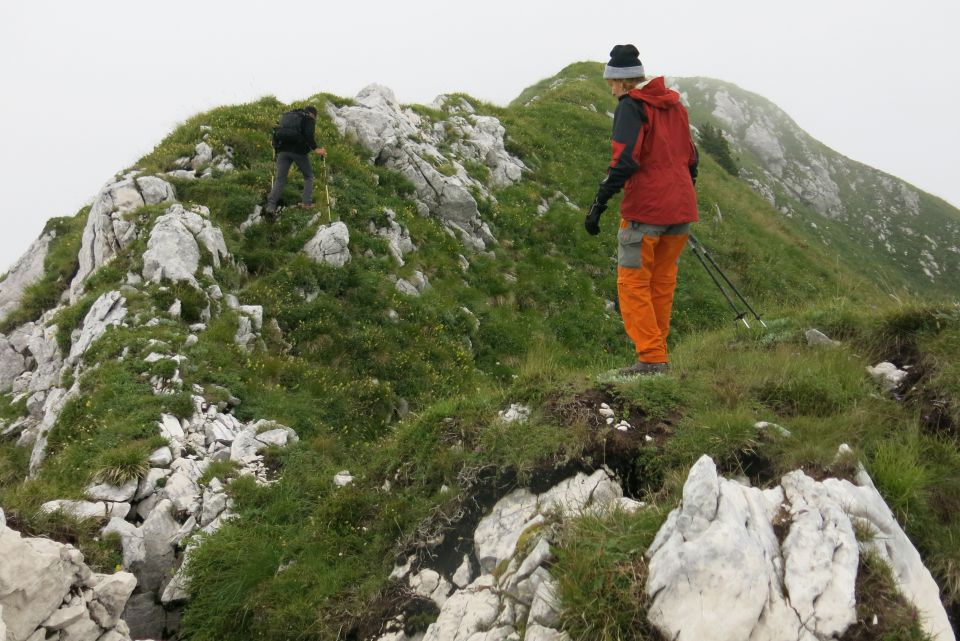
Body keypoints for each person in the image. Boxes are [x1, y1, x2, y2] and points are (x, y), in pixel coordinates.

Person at [585, 44, 699, 375]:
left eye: (611, 82)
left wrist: (599, 202)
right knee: (661, 283)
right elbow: (691, 157)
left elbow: (624, 161)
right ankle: (657, 354)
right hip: (680, 211)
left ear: (621, 82)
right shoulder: (675, 105)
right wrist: (681, 198)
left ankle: (650, 359)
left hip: (646, 212)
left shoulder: (631, 107)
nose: (610, 88)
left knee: (633, 284)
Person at [266, 106, 327, 215]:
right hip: (298, 151)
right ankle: (306, 203)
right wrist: (317, 149)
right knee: (308, 176)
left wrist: (276, 149)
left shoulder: (288, 116)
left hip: (282, 151)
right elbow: (309, 135)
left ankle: (270, 206)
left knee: (280, 179)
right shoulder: (309, 118)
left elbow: (277, 133)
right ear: (313, 114)